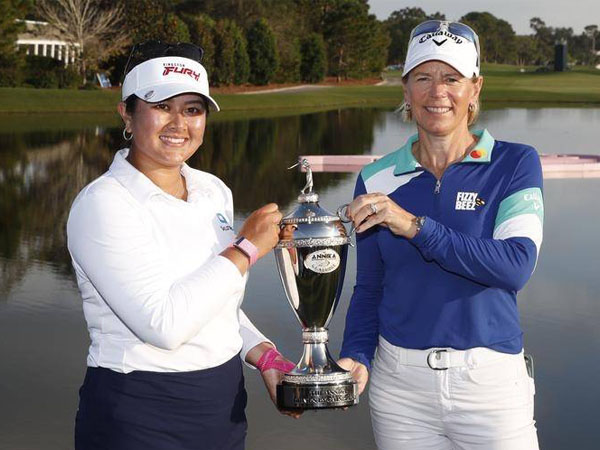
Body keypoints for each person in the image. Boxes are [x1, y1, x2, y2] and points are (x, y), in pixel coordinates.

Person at [67, 41, 296, 450]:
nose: (179, 124)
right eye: (161, 106)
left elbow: (214, 303)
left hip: (221, 406)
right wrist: (245, 249)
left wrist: (264, 354)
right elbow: (165, 325)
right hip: (136, 412)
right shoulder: (102, 205)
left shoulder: (213, 190)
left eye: (193, 109)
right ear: (127, 113)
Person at [338, 21, 543, 449]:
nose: (438, 93)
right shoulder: (377, 178)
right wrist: (356, 354)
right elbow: (370, 287)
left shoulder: (514, 164)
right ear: (406, 90)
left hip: (490, 386)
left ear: (475, 87)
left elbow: (515, 266)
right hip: (400, 390)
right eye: (423, 78)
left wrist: (415, 227)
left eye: (452, 78)